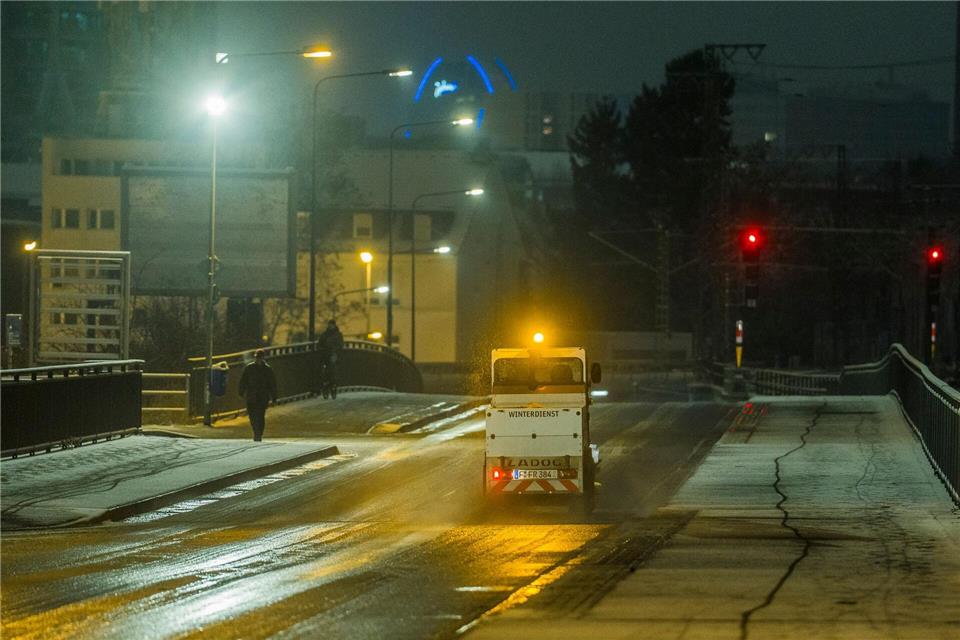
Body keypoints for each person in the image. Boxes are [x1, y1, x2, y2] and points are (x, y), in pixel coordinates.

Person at [238, 349, 277, 441]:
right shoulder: (251, 368)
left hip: (260, 396)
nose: (258, 360)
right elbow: (243, 381)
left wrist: (274, 397)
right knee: (253, 415)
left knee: (260, 415)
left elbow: (272, 384)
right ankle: (257, 431)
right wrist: (241, 391)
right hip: (253, 396)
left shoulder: (266, 369)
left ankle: (258, 432)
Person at [318, 319, 344, 399]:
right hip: (325, 355)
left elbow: (340, 345)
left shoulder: (338, 335)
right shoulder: (324, 335)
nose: (330, 326)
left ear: (334, 325)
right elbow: (320, 344)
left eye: (331, 325)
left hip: (333, 355)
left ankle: (332, 385)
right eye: (329, 325)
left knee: (332, 370)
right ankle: (326, 385)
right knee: (324, 371)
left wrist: (336, 353)